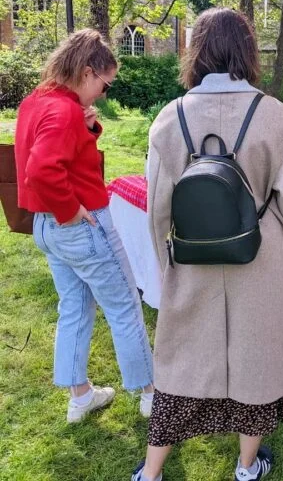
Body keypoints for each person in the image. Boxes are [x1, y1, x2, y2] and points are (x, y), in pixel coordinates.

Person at [133, 8, 283, 481]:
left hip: (191, 257)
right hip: (261, 257)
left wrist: (164, 260)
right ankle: (246, 466)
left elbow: (157, 207)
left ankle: (150, 473)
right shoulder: (276, 116)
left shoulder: (169, 119)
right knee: (256, 364)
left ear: (197, 52)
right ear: (247, 51)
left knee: (180, 364)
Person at [14, 29, 154, 423]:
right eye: (105, 84)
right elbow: (41, 169)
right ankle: (150, 394)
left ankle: (79, 396)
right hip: (79, 224)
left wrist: (88, 129)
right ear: (88, 71)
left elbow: (52, 152)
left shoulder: (38, 101)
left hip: (46, 229)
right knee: (124, 304)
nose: (104, 94)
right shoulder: (63, 110)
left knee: (74, 306)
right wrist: (70, 210)